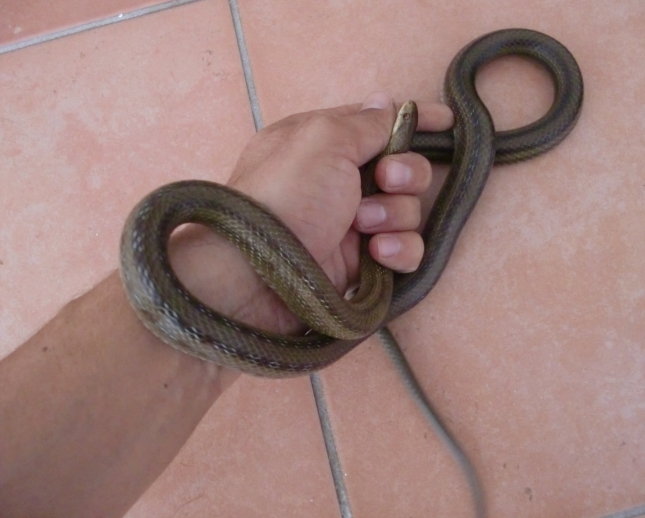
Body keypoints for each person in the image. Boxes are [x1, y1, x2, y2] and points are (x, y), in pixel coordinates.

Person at [0, 92, 454, 518]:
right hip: (288, 276)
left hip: (299, 287)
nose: (399, 115)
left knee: (358, 310)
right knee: (359, 308)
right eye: (401, 120)